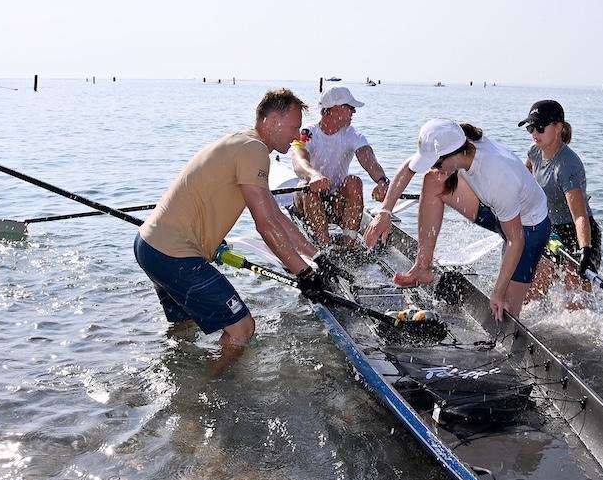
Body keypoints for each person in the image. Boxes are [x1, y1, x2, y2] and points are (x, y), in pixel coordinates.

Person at [134, 88, 329, 370]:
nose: (297, 135)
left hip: (149, 246)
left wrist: (317, 257)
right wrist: (304, 273)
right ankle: (209, 389)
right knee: (242, 328)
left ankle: (181, 377)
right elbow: (266, 225)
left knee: (185, 327)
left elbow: (276, 216)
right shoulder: (254, 150)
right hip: (173, 254)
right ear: (272, 121)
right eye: (294, 127)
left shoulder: (243, 143)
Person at [364, 118, 550, 321]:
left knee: (505, 311)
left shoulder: (497, 179)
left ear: (455, 154)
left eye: (437, 163)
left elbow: (516, 240)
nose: (434, 166)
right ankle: (423, 267)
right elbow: (409, 167)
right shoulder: (459, 139)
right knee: (434, 179)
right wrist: (385, 212)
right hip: (496, 210)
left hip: (529, 228)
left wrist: (497, 292)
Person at [519, 100, 602, 304]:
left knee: (575, 303)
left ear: (558, 127)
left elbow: (580, 216)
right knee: (531, 294)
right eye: (530, 128)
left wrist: (585, 251)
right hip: (553, 232)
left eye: (540, 127)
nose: (534, 133)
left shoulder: (567, 166)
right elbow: (524, 180)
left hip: (579, 236)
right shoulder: (534, 151)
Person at [291, 86, 389, 246]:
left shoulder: (351, 134)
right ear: (335, 108)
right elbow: (298, 160)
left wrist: (382, 181)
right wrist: (314, 176)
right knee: (306, 186)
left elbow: (369, 160)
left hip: (336, 201)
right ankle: (324, 245)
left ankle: (349, 245)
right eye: (350, 107)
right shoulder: (307, 133)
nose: (354, 111)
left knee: (354, 181)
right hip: (308, 199)